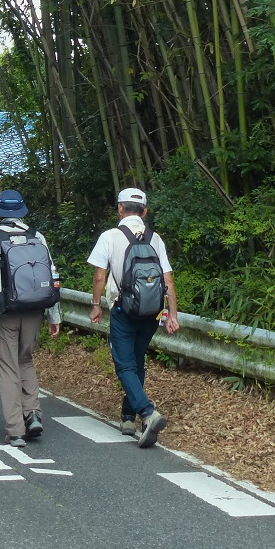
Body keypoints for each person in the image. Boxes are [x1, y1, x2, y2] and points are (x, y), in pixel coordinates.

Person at [0, 190, 61, 448]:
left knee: (8, 366)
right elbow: (51, 276)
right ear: (21, 212)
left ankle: (16, 430)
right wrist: (54, 315)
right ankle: (33, 415)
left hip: (6, 310)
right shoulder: (37, 237)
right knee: (25, 359)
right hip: (35, 309)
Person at [87, 187, 179, 448]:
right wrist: (172, 314)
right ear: (144, 211)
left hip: (123, 309)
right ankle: (128, 418)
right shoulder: (155, 239)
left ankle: (148, 413)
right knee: (137, 362)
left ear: (119, 209)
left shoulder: (109, 236)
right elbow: (168, 279)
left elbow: (99, 276)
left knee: (124, 365)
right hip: (152, 311)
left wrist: (96, 305)